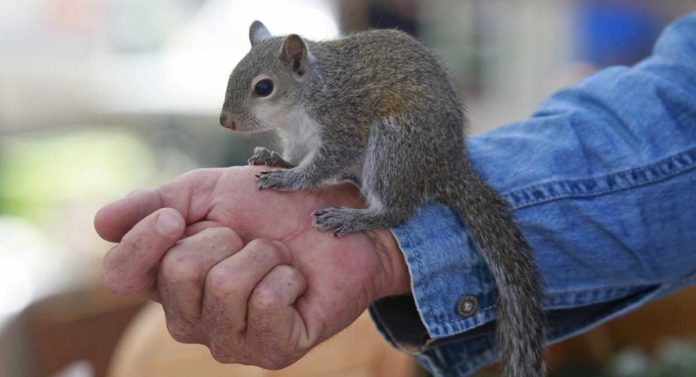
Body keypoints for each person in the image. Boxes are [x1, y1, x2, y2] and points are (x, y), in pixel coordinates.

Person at [94, 13, 696, 377]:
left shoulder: (327, 95)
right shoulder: (306, 93)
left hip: (408, 144)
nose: (240, 116)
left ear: (296, 64)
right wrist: (289, 164)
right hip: (404, 153)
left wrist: (308, 187)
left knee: (385, 138)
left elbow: (334, 152)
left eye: (261, 92)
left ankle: (387, 212)